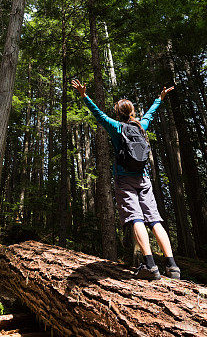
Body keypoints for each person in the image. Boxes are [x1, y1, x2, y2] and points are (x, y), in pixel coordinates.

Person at [71, 78, 180, 281]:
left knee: (136, 219)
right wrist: (160, 99)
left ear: (118, 113)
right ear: (132, 112)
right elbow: (150, 114)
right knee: (155, 220)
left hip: (124, 180)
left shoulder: (116, 127)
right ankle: (172, 266)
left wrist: (84, 96)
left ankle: (150, 265)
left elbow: (98, 114)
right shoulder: (141, 126)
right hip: (143, 178)